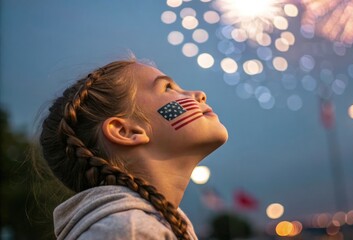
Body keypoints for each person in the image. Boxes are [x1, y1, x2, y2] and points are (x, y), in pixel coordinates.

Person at [38, 56, 228, 239]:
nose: (199, 94)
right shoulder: (130, 230)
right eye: (168, 87)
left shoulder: (140, 227)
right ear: (125, 131)